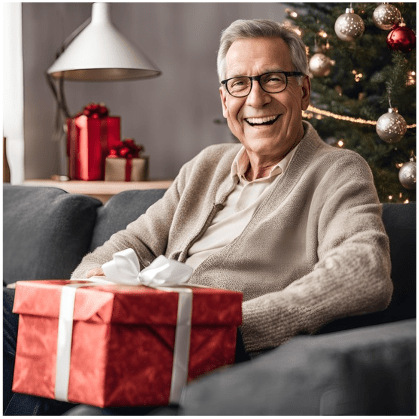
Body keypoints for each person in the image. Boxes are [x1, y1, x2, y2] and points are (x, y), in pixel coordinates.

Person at [4, 18, 393, 415]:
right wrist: (86, 293)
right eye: (239, 83)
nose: (256, 99)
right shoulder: (207, 166)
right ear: (225, 100)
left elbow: (364, 271)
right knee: (12, 316)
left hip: (213, 354)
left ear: (304, 90)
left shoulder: (337, 170)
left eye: (273, 79)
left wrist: (229, 326)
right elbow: (132, 241)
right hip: (140, 327)